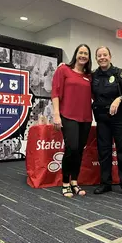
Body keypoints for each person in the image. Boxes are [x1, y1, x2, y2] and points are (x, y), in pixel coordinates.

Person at [91, 46, 122, 198]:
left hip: (120, 118)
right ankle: (105, 183)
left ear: (110, 57)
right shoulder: (93, 75)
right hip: (102, 119)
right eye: (99, 55)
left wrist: (119, 98)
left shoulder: (120, 73)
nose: (102, 57)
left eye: (105, 55)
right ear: (96, 58)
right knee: (104, 152)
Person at [51, 44, 92, 198]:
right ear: (76, 54)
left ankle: (75, 181)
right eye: (81, 52)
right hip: (67, 116)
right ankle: (65, 182)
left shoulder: (89, 76)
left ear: (88, 58)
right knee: (71, 148)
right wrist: (56, 114)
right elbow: (55, 92)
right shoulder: (63, 70)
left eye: (86, 53)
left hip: (86, 118)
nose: (83, 55)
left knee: (79, 150)